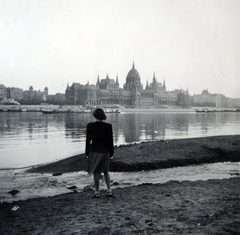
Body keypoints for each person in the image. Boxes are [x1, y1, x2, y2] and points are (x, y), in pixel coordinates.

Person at [85, 108, 114, 198]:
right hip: (105, 151)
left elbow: (88, 141)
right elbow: (111, 141)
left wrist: (86, 152)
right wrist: (111, 152)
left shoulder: (90, 125)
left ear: (95, 116)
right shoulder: (109, 126)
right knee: (106, 171)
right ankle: (109, 190)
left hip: (94, 151)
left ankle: (97, 192)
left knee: (96, 172)